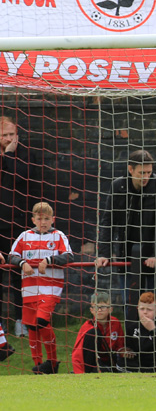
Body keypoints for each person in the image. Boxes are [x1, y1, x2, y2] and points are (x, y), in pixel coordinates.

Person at [95, 149, 156, 309]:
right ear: (130, 169)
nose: (146, 177)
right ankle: (132, 334)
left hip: (151, 256)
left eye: (149, 172)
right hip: (126, 254)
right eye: (141, 172)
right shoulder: (118, 186)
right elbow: (108, 221)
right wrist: (104, 253)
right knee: (130, 303)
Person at [8, 201, 73, 374]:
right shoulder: (24, 236)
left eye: (46, 218)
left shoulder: (58, 236)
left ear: (53, 219)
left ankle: (52, 362)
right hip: (29, 289)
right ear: (33, 219)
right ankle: (38, 365)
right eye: (39, 218)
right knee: (31, 326)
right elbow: (11, 256)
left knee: (41, 321)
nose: (43, 222)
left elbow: (69, 256)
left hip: (50, 288)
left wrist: (49, 260)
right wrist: (22, 263)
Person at [0, 116, 34, 338]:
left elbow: (17, 176)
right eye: (5, 135)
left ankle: (21, 321)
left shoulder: (24, 155)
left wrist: (10, 154)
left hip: (16, 225)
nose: (10, 139)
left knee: (17, 276)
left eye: (13, 135)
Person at [72, 291, 125, 374]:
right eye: (96, 307)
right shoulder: (87, 326)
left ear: (110, 309)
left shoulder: (115, 322)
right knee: (93, 333)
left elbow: (120, 345)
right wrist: (79, 373)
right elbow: (77, 353)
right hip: (93, 361)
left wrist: (123, 351)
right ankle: (89, 372)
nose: (99, 310)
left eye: (103, 307)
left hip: (111, 359)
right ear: (91, 310)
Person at [124, 291, 156, 372]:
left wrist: (153, 330)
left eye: (149, 309)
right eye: (142, 309)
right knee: (123, 361)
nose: (145, 312)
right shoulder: (132, 327)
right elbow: (129, 346)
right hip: (139, 362)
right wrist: (128, 351)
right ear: (137, 309)